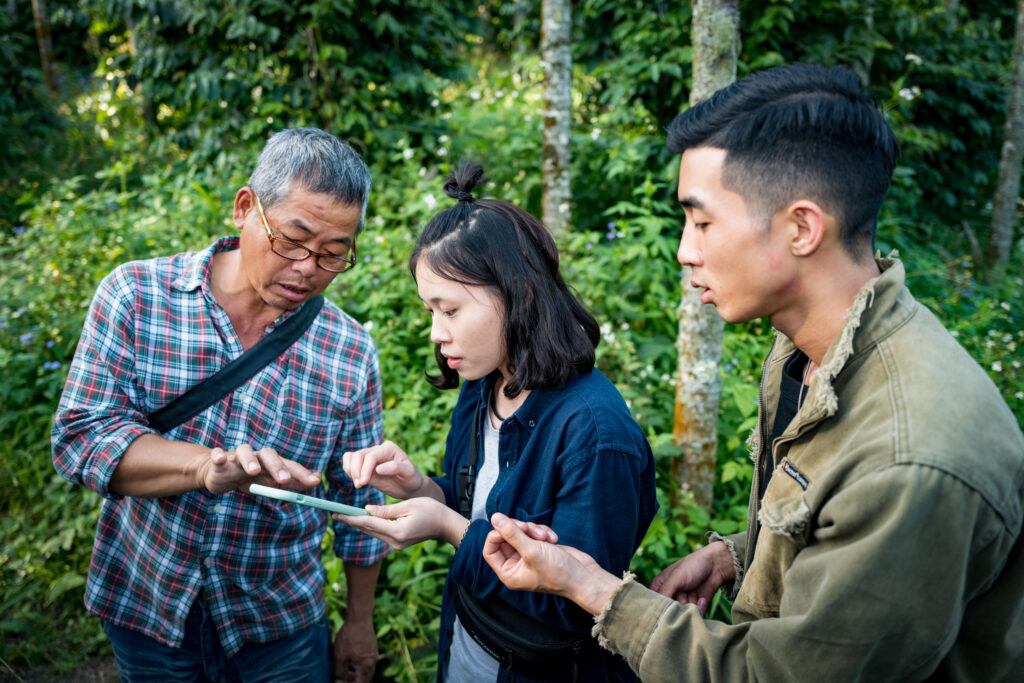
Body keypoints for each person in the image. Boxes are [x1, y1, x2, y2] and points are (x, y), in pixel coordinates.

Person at [481, 63, 1024, 681]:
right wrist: (735, 557)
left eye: (703, 221)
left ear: (801, 227)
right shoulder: (806, 351)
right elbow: (832, 535)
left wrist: (599, 591)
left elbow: (785, 673)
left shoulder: (909, 454)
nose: (686, 249)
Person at [52, 127, 389, 683]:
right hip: (148, 603)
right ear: (244, 208)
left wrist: (359, 622)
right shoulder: (137, 296)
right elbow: (80, 439)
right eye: (291, 241)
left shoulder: (348, 350)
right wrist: (204, 468)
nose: (308, 269)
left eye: (334, 254)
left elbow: (360, 503)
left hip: (279, 625)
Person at [335, 162, 657, 682]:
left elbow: (581, 606)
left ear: (518, 295)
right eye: (429, 312)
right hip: (466, 647)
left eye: (450, 311)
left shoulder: (595, 434)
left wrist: (447, 528)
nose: (436, 334)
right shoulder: (484, 385)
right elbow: (471, 505)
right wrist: (417, 486)